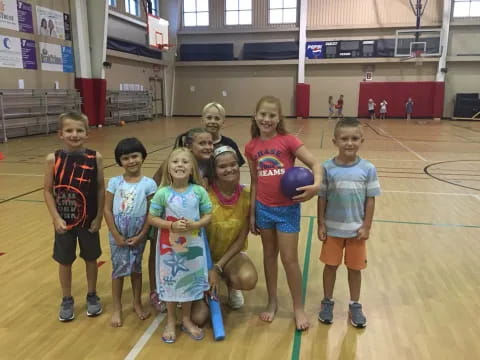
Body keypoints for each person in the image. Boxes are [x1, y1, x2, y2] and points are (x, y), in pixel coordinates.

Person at [245, 95, 321, 331]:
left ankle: (298, 308)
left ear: (279, 118)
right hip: (263, 209)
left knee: (289, 259)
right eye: (263, 114)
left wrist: (316, 186)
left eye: (272, 115)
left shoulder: (288, 141)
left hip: (287, 210)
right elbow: (255, 181)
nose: (266, 119)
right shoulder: (251, 146)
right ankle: (272, 302)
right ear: (256, 116)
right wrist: (252, 213)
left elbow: (315, 164)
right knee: (269, 257)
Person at [317, 117, 380, 328]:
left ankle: (355, 305)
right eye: (344, 139)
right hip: (333, 230)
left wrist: (367, 226)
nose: (349, 143)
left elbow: (370, 200)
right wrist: (321, 224)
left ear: (362, 140)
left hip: (356, 231)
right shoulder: (327, 168)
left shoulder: (368, 168)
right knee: (330, 266)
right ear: (335, 141)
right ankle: (327, 301)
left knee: (355, 269)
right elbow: (322, 197)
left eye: (354, 138)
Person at [43, 111, 105, 322]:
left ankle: (92, 294)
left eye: (79, 130)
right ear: (60, 133)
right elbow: (47, 190)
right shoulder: (53, 159)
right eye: (69, 130)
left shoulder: (95, 157)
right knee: (65, 261)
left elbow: (99, 189)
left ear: (87, 133)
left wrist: (98, 218)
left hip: (88, 221)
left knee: (91, 258)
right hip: (64, 222)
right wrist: (55, 218)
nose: (74, 134)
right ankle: (67, 298)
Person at [148, 147, 212, 343]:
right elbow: (151, 218)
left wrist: (196, 224)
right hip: (169, 251)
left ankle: (186, 318)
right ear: (168, 168)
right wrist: (171, 225)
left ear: (192, 169)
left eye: (185, 162)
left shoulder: (199, 191)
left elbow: (208, 215)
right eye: (175, 162)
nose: (180, 165)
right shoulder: (162, 193)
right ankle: (170, 320)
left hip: (193, 248)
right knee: (171, 283)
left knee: (189, 282)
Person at [191, 146, 258, 325]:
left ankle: (230, 284)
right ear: (214, 170)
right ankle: (206, 286)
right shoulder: (204, 195)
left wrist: (218, 267)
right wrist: (207, 266)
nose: (229, 169)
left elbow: (240, 239)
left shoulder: (248, 196)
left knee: (247, 279)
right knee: (198, 318)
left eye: (233, 164)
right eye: (222, 166)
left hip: (230, 257)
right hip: (202, 259)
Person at [104, 137, 157, 327]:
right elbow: (107, 209)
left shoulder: (149, 184)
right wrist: (116, 235)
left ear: (142, 157)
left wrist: (142, 234)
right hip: (118, 231)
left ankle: (136, 302)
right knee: (118, 270)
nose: (131, 161)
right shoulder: (114, 182)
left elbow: (152, 212)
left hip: (138, 232)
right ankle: (117, 307)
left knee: (135, 268)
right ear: (120, 162)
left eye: (135, 156)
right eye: (126, 158)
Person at [201, 102, 245, 167]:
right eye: (209, 118)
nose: (213, 121)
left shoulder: (230, 144)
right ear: (202, 120)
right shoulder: (195, 144)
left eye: (217, 118)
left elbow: (236, 169)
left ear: (223, 122)